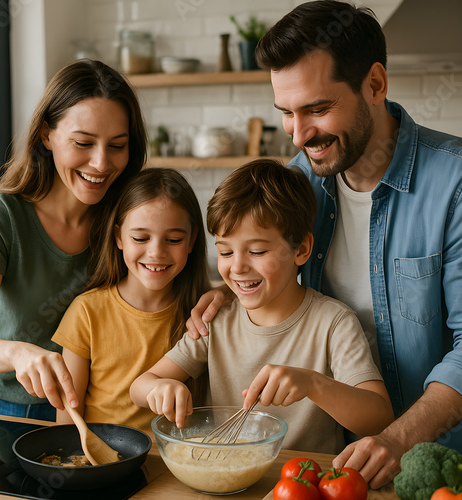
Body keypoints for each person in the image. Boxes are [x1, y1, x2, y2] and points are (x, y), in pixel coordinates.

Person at [187, 0, 462, 488]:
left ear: (375, 84)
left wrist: (398, 439)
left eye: (317, 108)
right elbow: (274, 279)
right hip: (330, 472)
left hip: (439, 467)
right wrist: (233, 292)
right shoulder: (298, 185)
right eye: (286, 113)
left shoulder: (454, 183)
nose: (299, 134)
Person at [131, 159, 394, 453]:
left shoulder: (333, 322)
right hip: (229, 475)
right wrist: (160, 388)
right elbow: (140, 385)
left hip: (301, 482)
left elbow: (379, 418)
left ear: (302, 249)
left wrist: (313, 385)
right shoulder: (216, 321)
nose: (238, 266)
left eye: (257, 251)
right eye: (226, 251)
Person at [0, 59, 147, 421]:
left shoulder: (126, 221)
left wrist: (215, 296)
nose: (100, 163)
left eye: (117, 146)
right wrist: (18, 354)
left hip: (88, 409)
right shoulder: (2, 215)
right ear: (46, 135)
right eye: (83, 142)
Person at [52, 168, 209, 432]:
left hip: (179, 462)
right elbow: (68, 418)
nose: (156, 252)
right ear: (118, 237)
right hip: (102, 463)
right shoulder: (86, 311)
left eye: (173, 239)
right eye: (140, 238)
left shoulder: (203, 313)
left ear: (192, 240)